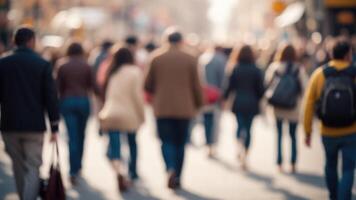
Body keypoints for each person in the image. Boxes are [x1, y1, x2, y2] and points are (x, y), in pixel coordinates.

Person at [0, 26, 60, 200]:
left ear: (14, 41)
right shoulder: (42, 64)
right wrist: (54, 126)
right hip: (34, 126)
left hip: (9, 124)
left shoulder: (3, 63)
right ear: (32, 41)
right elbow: (51, 97)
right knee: (33, 166)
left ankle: (23, 196)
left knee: (18, 167)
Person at [144, 28, 204, 189]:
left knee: (166, 141)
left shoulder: (156, 58)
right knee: (180, 143)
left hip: (162, 107)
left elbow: (147, 84)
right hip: (185, 108)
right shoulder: (190, 58)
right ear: (181, 41)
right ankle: (177, 175)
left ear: (166, 40)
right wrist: (199, 104)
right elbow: (197, 85)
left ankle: (169, 167)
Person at [303, 39, 356, 200]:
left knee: (330, 165)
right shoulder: (354, 72)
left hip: (327, 130)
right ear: (348, 54)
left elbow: (309, 104)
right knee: (348, 169)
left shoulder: (320, 74)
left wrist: (307, 131)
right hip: (351, 130)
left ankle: (333, 196)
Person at [99, 46, 145, 191]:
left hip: (111, 113)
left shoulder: (111, 71)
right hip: (129, 114)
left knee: (115, 147)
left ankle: (119, 171)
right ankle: (132, 173)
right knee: (132, 144)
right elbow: (137, 97)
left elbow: (104, 94)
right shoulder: (135, 71)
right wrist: (142, 116)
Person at [56, 42, 97, 185]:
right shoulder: (87, 65)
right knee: (81, 135)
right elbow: (93, 86)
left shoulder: (62, 65)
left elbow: (57, 87)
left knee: (71, 136)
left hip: (67, 102)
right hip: (83, 101)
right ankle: (78, 166)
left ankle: (73, 170)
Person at [265, 44, 308, 173]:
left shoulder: (275, 67)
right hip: (293, 107)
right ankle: (293, 163)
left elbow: (267, 84)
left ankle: (279, 163)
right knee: (293, 135)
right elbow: (305, 88)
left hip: (277, 107)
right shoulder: (298, 69)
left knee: (278, 135)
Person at [223, 45, 264, 170]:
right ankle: (245, 155)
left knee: (239, 126)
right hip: (252, 103)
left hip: (238, 102)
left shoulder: (235, 68)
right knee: (249, 129)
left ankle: (238, 146)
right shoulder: (256, 69)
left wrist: (224, 98)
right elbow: (261, 89)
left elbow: (229, 87)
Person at [198, 45, 227, 157]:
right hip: (215, 95)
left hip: (204, 95)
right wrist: (223, 95)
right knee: (215, 122)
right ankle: (212, 145)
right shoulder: (221, 59)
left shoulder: (202, 58)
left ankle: (207, 143)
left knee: (206, 121)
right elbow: (223, 79)